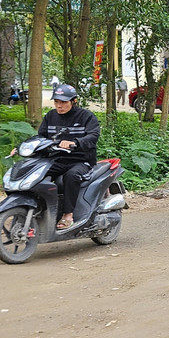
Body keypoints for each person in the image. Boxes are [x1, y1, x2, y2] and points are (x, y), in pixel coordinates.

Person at [24, 84, 100, 230]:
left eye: (64, 102)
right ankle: (34, 209)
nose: (59, 105)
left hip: (81, 161)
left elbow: (93, 136)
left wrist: (76, 142)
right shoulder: (51, 116)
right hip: (57, 160)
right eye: (57, 102)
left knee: (71, 176)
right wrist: (26, 147)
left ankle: (68, 215)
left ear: (74, 101)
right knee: (35, 172)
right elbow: (41, 137)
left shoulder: (86, 117)